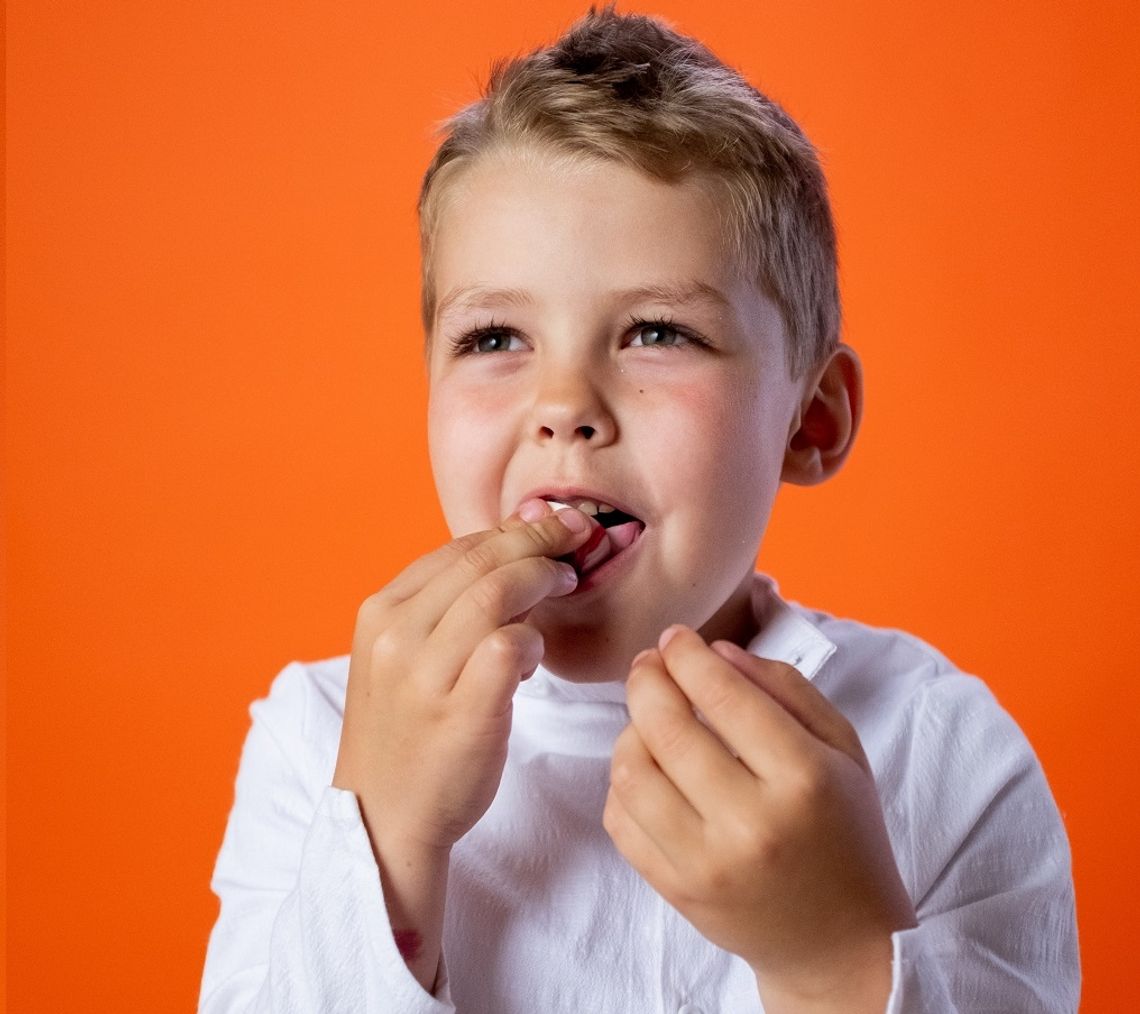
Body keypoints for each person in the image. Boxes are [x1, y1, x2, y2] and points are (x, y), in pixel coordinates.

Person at [198, 6, 1080, 1012]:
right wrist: (387, 838)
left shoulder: (938, 745)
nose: (564, 405)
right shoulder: (323, 738)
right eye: (494, 339)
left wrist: (831, 957)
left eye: (657, 331)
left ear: (809, 419)